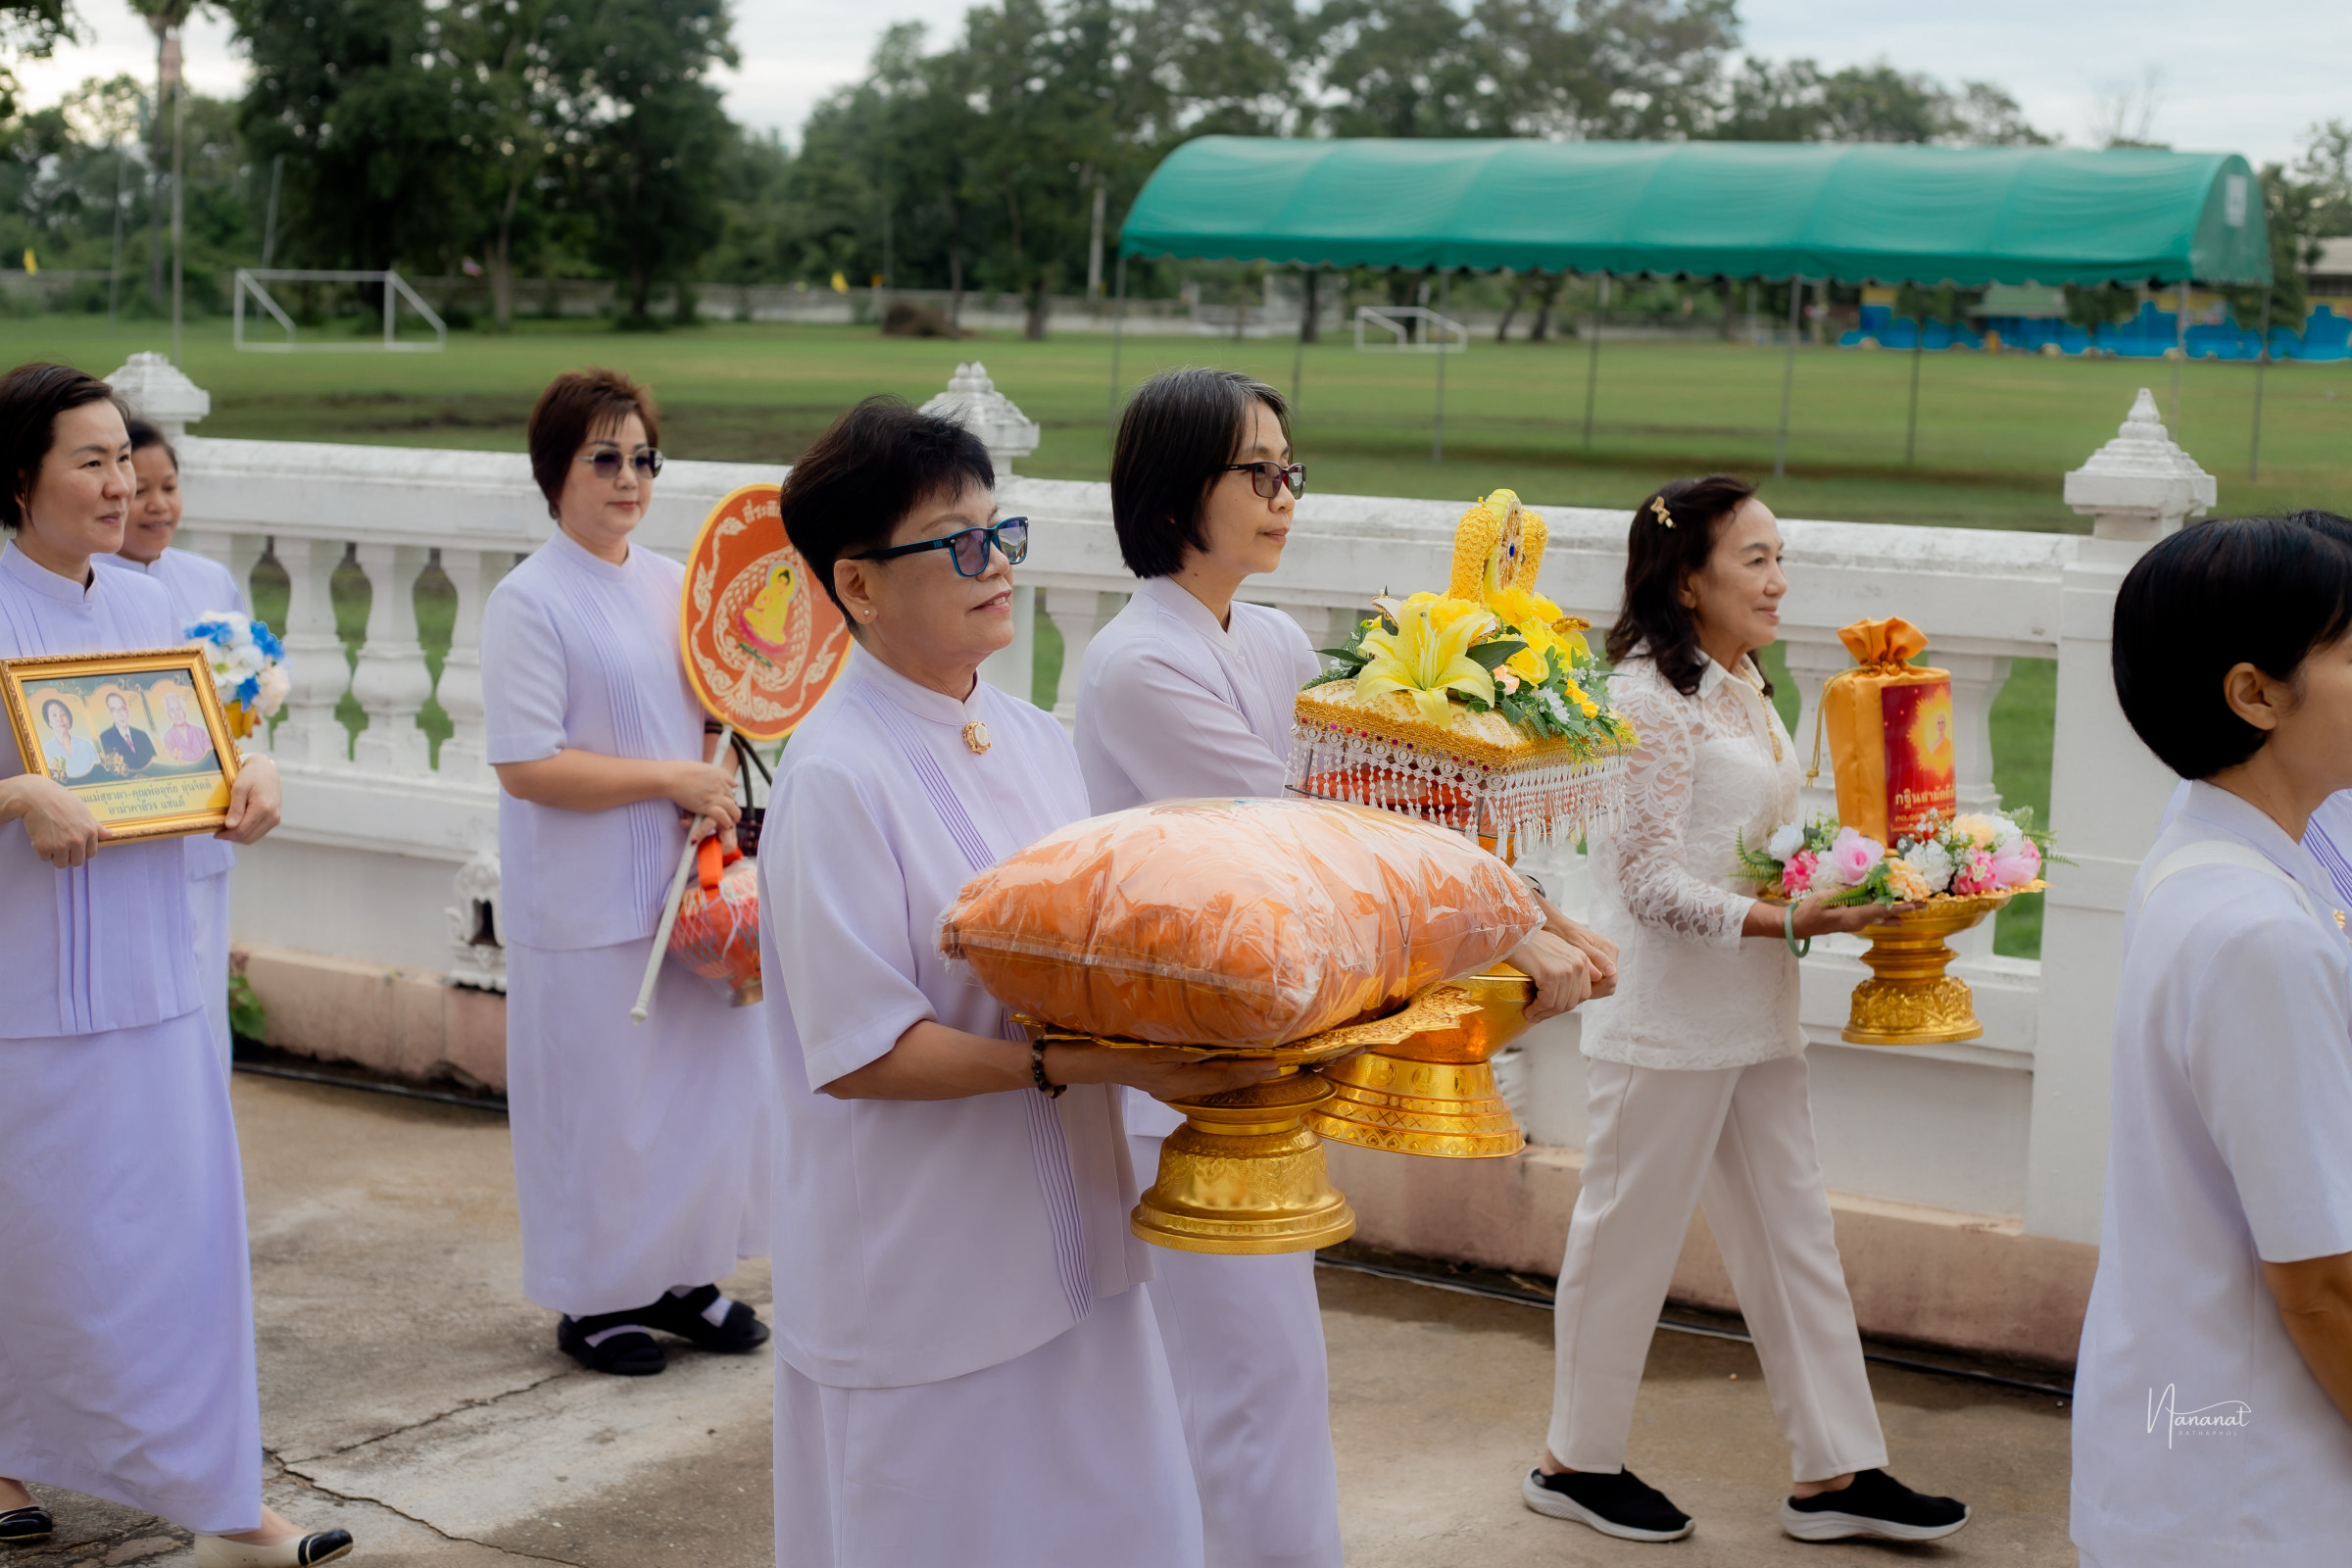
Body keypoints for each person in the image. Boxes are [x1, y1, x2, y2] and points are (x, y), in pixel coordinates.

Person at [1074, 366, 1615, 1567]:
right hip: (1180, 1076)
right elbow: (1305, 834)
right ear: (1174, 494)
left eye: (1291, 471)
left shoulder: (1267, 637)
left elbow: (1368, 801)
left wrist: (1520, 900)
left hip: (1267, 1052)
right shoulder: (1138, 664)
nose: (1285, 495)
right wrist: (1510, 922)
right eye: (1256, 473)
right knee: (1238, 1385)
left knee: (1271, 1377)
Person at [760, 396, 1286, 1568]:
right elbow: (861, 1049)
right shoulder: (835, 776)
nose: (995, 564)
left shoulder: (1037, 741)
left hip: (1076, 1242)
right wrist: (1083, 1061)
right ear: (858, 585)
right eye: (956, 543)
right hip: (925, 1270)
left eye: (1001, 532)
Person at [1525, 474, 1970, 1544]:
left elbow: (1746, 849)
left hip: (1756, 1011)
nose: (1779, 581)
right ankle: (1572, 1463)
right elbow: (1644, 884)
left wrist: (1840, 884)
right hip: (1665, 1018)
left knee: (1793, 1234)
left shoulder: (1743, 684)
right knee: (1626, 1241)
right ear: (1688, 580)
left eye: (1781, 559)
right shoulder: (1646, 699)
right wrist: (1794, 918)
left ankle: (1837, 1471)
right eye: (1755, 560)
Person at [0, 363, 346, 1567]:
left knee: (179, 1253)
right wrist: (18, 794)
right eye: (90, 462)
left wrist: (257, 774)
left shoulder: (154, 610)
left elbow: (208, 756)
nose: (120, 485)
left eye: (125, 462)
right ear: (20, 477)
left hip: (155, 982)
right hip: (24, 1002)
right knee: (29, 1249)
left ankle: (226, 1503)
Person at [481, 368, 773, 1377]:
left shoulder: (675, 585)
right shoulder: (529, 601)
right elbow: (527, 765)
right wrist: (669, 778)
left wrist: (713, 768)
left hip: (692, 888)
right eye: (603, 458)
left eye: (643, 457)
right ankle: (596, 1298)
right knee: (601, 1107)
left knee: (700, 1093)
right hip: (585, 897)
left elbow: (721, 707)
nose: (628, 478)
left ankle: (685, 1277)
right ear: (553, 472)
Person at [2075, 510, 2352, 1566]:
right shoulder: (2260, 934)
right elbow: (2319, 1285)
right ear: (2255, 694)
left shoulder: (2208, 856)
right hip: (2254, 1492)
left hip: (2201, 1445)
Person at [97, 417, 252, 1069]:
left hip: (204, 829)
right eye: (141, 489)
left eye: (170, 487)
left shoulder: (210, 579)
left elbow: (247, 691)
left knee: (203, 1004)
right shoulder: (89, 585)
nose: (157, 505)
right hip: (123, 832)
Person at [96, 688, 156, 771]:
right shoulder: (104, 738)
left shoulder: (142, 735)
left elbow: (154, 763)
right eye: (114, 710)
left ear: (127, 711)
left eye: (122, 709)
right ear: (109, 713)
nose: (120, 714)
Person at [39, 696, 96, 780]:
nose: (60, 719)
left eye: (63, 714)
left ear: (69, 718)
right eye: (54, 715)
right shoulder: (45, 751)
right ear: (49, 722)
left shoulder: (86, 745)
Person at [160, 685, 211, 762]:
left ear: (184, 711)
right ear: (168, 715)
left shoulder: (199, 731)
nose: (176, 713)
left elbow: (210, 754)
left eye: (178, 709)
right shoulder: (168, 735)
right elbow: (172, 760)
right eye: (172, 710)